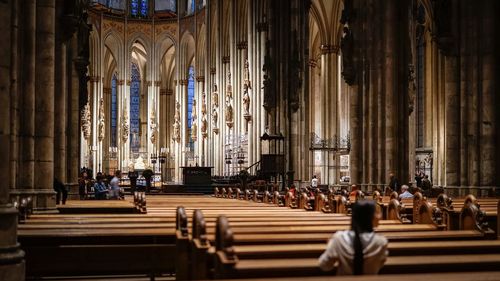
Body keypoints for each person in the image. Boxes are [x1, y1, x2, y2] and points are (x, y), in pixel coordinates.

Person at [319, 200, 388, 275]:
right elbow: (380, 264)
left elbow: (324, 265)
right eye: (377, 213)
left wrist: (331, 246)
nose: (380, 216)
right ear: (370, 217)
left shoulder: (339, 238)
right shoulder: (381, 242)